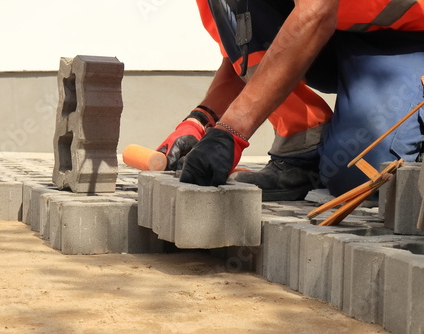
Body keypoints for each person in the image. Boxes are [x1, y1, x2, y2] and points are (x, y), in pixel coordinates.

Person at [156, 0, 424, 201]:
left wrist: (230, 134)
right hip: (341, 33)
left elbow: (316, 11)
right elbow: (248, 52)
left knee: (361, 173)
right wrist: (201, 120)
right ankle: (302, 146)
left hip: (411, 38)